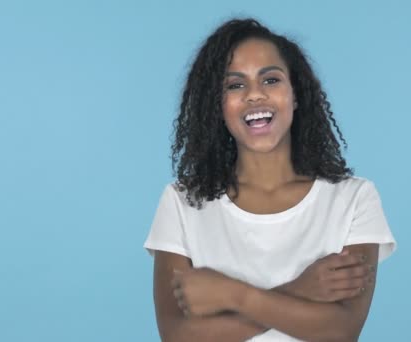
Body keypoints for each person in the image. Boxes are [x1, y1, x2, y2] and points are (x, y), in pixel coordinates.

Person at [143, 18, 396, 342]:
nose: (254, 95)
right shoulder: (182, 201)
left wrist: (231, 294)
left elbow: (340, 330)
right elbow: (178, 336)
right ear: (217, 106)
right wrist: (302, 289)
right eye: (235, 85)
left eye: (271, 79)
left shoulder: (354, 199)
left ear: (296, 95)